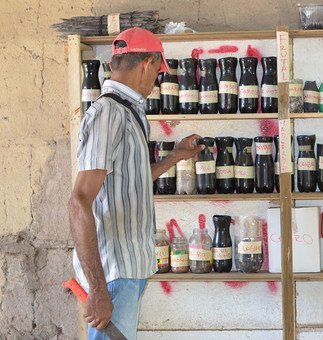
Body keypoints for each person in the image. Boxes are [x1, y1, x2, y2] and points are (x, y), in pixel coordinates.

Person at [68, 27, 203, 339]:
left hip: (129, 269)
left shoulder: (127, 112)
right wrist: (99, 290)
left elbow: (131, 181)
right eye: (158, 72)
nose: (156, 82)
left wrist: (175, 156)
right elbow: (78, 202)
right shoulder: (108, 114)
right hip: (114, 274)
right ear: (148, 64)